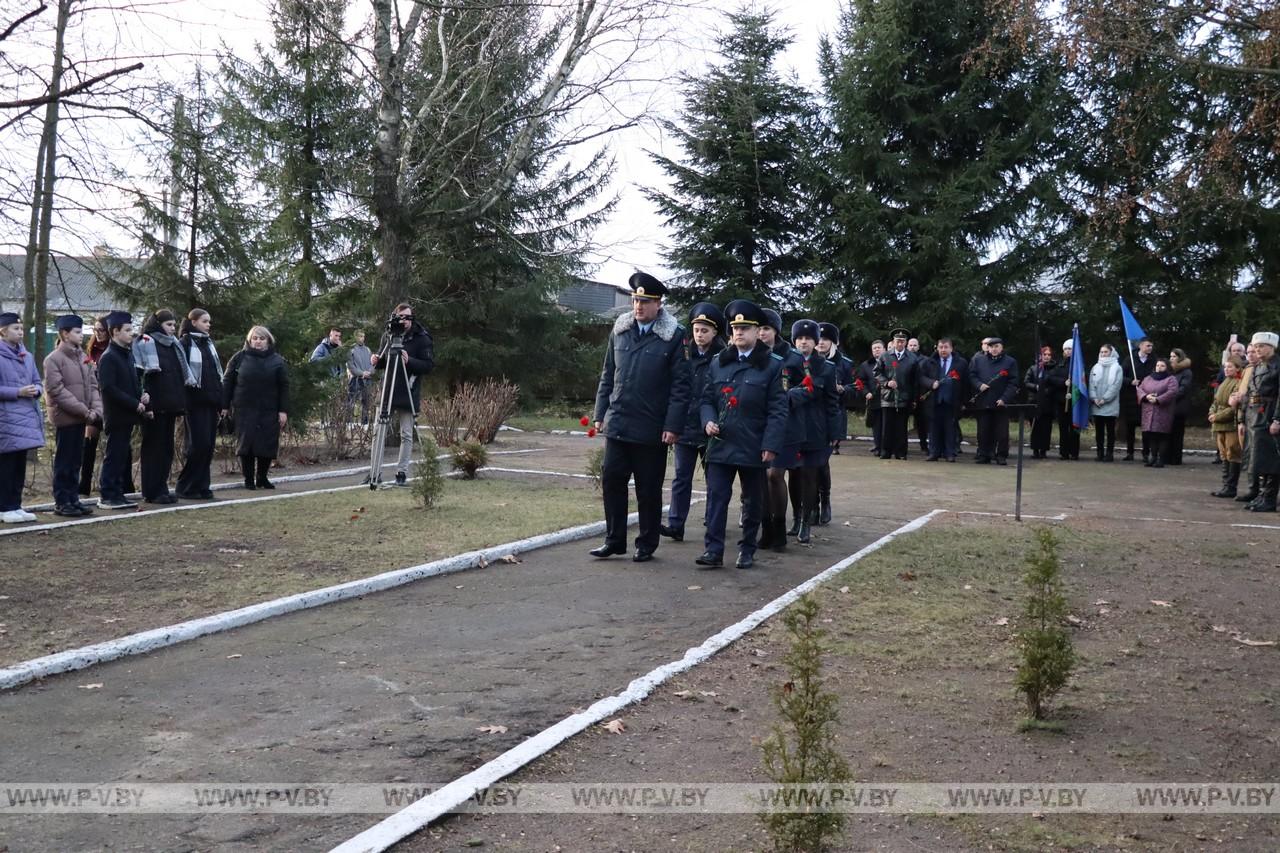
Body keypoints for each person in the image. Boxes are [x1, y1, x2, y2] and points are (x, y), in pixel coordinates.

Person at [590, 273, 690, 562]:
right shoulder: (620, 330)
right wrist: (600, 413)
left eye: (645, 301)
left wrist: (673, 425)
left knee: (648, 489)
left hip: (652, 427)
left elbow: (681, 386)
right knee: (612, 482)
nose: (638, 306)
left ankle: (647, 542)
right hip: (619, 421)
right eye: (635, 300)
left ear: (658, 304)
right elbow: (608, 374)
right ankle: (614, 540)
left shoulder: (674, 336)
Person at [697, 300, 787, 569]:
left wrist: (770, 445)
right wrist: (708, 421)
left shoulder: (771, 366)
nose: (739, 333)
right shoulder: (718, 363)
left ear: (757, 331)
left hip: (752, 443)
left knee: (752, 500)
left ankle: (747, 548)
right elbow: (706, 400)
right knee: (716, 497)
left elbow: (778, 410)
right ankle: (713, 550)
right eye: (735, 328)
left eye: (745, 328)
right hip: (721, 443)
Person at [661, 302, 725, 543]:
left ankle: (712, 522)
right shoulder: (683, 354)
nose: (700, 335)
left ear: (715, 333)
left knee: (714, 480)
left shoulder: (722, 358)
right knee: (681, 478)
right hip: (686, 426)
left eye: (705, 330)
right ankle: (676, 524)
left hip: (711, 428)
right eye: (697, 329)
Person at [786, 320, 840, 544]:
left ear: (816, 342)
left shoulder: (826, 368)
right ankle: (796, 517)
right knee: (794, 475)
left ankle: (807, 521)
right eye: (799, 339)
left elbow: (831, 402)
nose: (803, 342)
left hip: (815, 428)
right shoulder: (786, 364)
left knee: (809, 474)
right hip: (791, 427)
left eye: (808, 339)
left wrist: (835, 431)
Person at [43, 314, 103, 517]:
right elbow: (56, 390)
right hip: (67, 417)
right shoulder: (54, 359)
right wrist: (83, 410)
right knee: (64, 461)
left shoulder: (84, 358)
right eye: (77, 332)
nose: (81, 335)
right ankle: (62, 501)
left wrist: (96, 410)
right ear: (65, 334)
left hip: (83, 417)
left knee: (76, 460)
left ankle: (73, 498)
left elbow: (94, 386)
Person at [369, 303, 435, 486]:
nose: (404, 321)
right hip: (388, 390)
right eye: (401, 317)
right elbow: (383, 363)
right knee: (378, 433)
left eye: (408, 317)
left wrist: (410, 360)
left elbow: (428, 365)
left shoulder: (422, 338)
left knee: (406, 434)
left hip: (408, 390)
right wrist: (376, 360)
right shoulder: (388, 335)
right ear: (396, 317)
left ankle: (401, 473)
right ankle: (374, 472)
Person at [133, 309, 194, 504]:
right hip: (154, 405)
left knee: (166, 449)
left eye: (174, 325)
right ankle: (152, 490)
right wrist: (147, 404)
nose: (173, 329)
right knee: (153, 449)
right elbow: (141, 376)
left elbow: (176, 374)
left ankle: (162, 487)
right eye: (169, 325)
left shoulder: (174, 345)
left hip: (170, 405)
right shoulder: (145, 342)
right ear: (158, 324)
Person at [757, 309, 805, 547]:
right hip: (759, 425)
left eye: (766, 329)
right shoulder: (751, 356)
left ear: (775, 331)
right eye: (759, 329)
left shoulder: (793, 357)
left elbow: (807, 388)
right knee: (760, 478)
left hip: (786, 425)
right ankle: (766, 528)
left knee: (774, 475)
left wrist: (786, 396)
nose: (762, 333)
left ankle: (779, 526)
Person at [223, 325, 289, 490]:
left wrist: (283, 410)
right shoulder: (239, 358)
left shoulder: (277, 360)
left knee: (267, 445)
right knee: (247, 445)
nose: (258, 341)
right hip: (244, 409)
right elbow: (227, 382)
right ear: (249, 340)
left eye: (261, 338)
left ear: (268, 340)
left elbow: (284, 387)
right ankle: (248, 479)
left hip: (269, 409)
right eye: (255, 338)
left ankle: (262, 478)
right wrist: (224, 405)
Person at [96, 310, 148, 510]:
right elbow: (109, 388)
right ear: (115, 332)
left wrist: (141, 396)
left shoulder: (126, 354)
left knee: (122, 457)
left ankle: (117, 493)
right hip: (116, 415)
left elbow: (132, 381)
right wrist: (133, 403)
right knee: (114, 456)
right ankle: (107, 494)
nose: (131, 334)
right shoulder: (109, 357)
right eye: (127, 330)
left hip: (127, 414)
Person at [0, 311, 44, 523]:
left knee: (19, 465)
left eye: (21, 329)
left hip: (26, 417)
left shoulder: (26, 355)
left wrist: (37, 389)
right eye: (15, 329)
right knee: (6, 465)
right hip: (6, 419)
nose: (20, 332)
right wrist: (17, 392)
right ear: (3, 331)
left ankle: (15, 505)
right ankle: (4, 507)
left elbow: (37, 380)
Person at [177, 309, 223, 500]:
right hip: (194, 402)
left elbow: (214, 373)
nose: (208, 324)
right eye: (205, 321)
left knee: (208, 446)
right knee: (197, 446)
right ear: (193, 322)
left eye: (209, 321)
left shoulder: (208, 344)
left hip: (210, 402)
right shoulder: (185, 343)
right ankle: (186, 486)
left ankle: (202, 485)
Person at [816, 322, 854, 522]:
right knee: (806, 466)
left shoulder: (844, 363)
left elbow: (855, 387)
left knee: (822, 462)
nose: (821, 343)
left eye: (825, 340)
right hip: (809, 417)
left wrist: (844, 389)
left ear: (834, 343)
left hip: (832, 415)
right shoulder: (804, 360)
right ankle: (811, 504)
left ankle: (825, 500)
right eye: (819, 339)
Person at [1242, 332, 1280, 511]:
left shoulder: (1277, 366)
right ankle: (1262, 494)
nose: (1257, 350)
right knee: (1259, 458)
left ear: (1272, 347)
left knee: (1271, 459)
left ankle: (1270, 498)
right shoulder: (1257, 366)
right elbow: (1251, 391)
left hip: (1270, 414)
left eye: (1261, 346)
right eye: (1256, 347)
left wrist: (1277, 419)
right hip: (1256, 415)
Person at [969, 336, 1019, 465]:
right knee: (983, 431)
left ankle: (1001, 455)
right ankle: (983, 454)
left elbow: (1013, 383)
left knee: (1002, 432)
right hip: (984, 401)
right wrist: (979, 385)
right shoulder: (978, 360)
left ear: (1002, 347)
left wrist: (1004, 398)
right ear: (988, 348)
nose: (994, 349)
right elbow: (972, 375)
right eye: (991, 347)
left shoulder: (1010, 362)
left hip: (1001, 402)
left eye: (997, 346)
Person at [78, 314, 110, 497]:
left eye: (101, 330)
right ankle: (84, 485)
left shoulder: (112, 350)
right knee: (89, 444)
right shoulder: (92, 350)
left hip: (110, 404)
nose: (98, 334)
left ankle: (124, 484)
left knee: (117, 446)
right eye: (95, 330)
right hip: (94, 403)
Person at [875, 329, 920, 460]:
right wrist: (886, 382)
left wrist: (913, 398)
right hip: (888, 397)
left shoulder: (912, 358)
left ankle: (901, 452)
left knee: (901, 426)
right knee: (887, 426)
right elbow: (877, 373)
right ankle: (886, 451)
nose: (900, 343)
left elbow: (915, 380)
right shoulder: (885, 356)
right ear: (893, 342)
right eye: (897, 341)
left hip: (904, 397)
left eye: (902, 341)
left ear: (906, 343)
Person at [1209, 354, 1245, 497]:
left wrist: (1217, 416)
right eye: (1225, 367)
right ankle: (1225, 486)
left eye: (1230, 366)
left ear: (1237, 368)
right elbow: (1216, 402)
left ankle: (1231, 487)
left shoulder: (1239, 383)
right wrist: (1212, 412)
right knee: (1224, 454)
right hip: (1219, 425)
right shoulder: (1224, 382)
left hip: (1230, 424)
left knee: (1233, 454)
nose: (1226, 369)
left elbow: (1233, 407)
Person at [928, 338, 967, 462]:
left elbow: (966, 383)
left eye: (946, 347)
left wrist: (963, 401)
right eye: (941, 347)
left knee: (950, 428)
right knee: (934, 428)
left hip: (952, 401)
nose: (943, 350)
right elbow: (922, 377)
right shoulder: (930, 361)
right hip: (935, 400)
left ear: (951, 348)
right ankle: (934, 453)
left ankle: (950, 453)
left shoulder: (961, 363)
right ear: (937, 348)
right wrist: (931, 383)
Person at [1232, 343, 1261, 503]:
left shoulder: (1268, 368)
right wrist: (1241, 419)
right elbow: (1244, 394)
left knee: (1260, 455)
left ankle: (1263, 491)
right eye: (1249, 352)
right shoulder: (1248, 369)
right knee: (1250, 454)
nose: (1250, 355)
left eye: (1254, 351)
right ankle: (1253, 488)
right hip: (1247, 415)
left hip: (1261, 416)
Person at [1137, 358, 1179, 469]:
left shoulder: (1171, 379)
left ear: (1167, 367)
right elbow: (1139, 389)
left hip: (1163, 410)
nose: (1159, 368)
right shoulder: (1148, 378)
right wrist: (1146, 397)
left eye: (1162, 366)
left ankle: (1161, 459)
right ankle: (1153, 457)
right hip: (1149, 410)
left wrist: (1158, 399)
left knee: (1162, 436)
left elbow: (1172, 392)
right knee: (1151, 435)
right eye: (1157, 365)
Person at [1089, 343, 1124, 461]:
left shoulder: (1117, 368)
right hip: (1097, 404)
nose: (1103, 354)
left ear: (1111, 352)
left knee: (1110, 432)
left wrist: (1105, 399)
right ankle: (1099, 453)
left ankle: (1109, 454)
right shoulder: (1095, 367)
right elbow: (1091, 384)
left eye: (1106, 352)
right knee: (1099, 431)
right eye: (1102, 352)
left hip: (1110, 404)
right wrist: (1094, 398)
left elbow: (1116, 386)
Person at [1123, 337, 1156, 461]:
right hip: (1131, 397)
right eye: (1148, 346)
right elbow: (1121, 376)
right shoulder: (1130, 359)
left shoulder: (1153, 360)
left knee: (1146, 427)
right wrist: (1131, 381)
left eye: (1151, 346)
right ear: (1141, 346)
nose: (1150, 348)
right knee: (1130, 427)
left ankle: (1146, 453)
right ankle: (1129, 452)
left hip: (1146, 397)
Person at [1024, 345, 1058, 459]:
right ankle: (1035, 450)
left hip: (1048, 403)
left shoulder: (1054, 369)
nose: (1047, 357)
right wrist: (1036, 387)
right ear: (1040, 355)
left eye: (1049, 355)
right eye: (1045, 354)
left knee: (1046, 428)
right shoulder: (1034, 368)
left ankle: (1043, 450)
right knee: (1035, 427)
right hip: (1034, 401)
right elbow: (1026, 382)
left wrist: (1047, 390)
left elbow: (1056, 384)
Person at [855, 341, 884, 456]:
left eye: (879, 348)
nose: (876, 350)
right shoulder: (865, 365)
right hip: (874, 399)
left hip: (889, 399)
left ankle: (888, 447)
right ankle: (878, 447)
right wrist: (866, 392)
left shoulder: (890, 362)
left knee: (888, 425)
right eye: (874, 348)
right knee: (876, 425)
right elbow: (860, 381)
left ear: (884, 349)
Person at [907, 337, 935, 456]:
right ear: (907, 346)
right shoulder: (903, 359)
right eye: (910, 345)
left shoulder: (926, 360)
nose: (912, 347)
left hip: (921, 396)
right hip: (907, 395)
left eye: (915, 345)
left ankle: (924, 446)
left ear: (918, 347)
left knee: (922, 423)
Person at [1165, 348, 1194, 465]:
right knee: (1168, 433)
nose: (1171, 358)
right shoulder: (1170, 371)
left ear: (1180, 357)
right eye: (1170, 356)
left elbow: (1183, 388)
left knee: (1177, 433)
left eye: (1174, 356)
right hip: (1168, 407)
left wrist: (1168, 397)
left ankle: (1176, 458)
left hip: (1179, 407)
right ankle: (1167, 456)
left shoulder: (1186, 372)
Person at [1055, 339, 1079, 460]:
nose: (1067, 351)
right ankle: (1064, 452)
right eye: (1065, 349)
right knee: (1063, 427)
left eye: (1070, 348)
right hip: (1062, 401)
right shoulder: (1060, 364)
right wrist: (1063, 382)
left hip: (1075, 401)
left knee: (1074, 427)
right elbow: (1051, 378)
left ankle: (1074, 452)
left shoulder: (1078, 365)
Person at [347, 329, 374, 425]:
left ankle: (365, 423)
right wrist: (361, 373)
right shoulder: (351, 349)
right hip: (355, 379)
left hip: (367, 380)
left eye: (363, 336)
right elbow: (351, 366)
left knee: (366, 402)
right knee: (351, 402)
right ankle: (348, 423)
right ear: (355, 337)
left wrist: (369, 372)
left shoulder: (368, 349)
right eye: (360, 336)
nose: (362, 338)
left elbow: (372, 364)